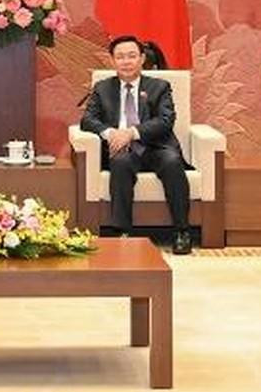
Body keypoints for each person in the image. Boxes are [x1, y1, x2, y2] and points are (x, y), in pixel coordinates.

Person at [79, 34, 193, 256]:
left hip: (156, 147)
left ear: (142, 59)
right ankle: (123, 232)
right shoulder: (103, 88)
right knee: (120, 163)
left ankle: (181, 231)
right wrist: (111, 133)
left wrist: (131, 133)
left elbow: (165, 121)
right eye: (120, 57)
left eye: (132, 56)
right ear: (112, 61)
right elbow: (88, 120)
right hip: (121, 149)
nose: (126, 61)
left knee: (171, 162)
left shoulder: (160, 86)